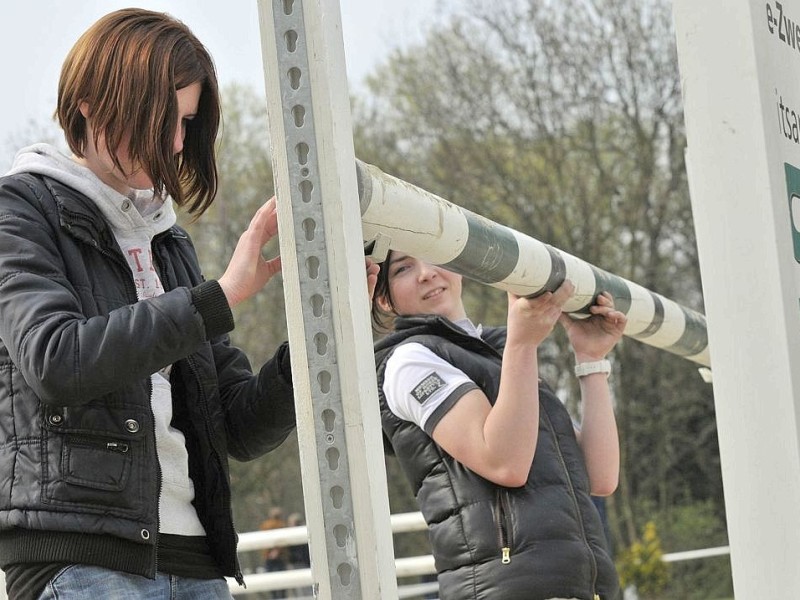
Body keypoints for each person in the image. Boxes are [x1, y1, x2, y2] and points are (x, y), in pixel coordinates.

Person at [0, 9, 382, 600]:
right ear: (93, 103)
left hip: (198, 561)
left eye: (185, 123)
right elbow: (55, 359)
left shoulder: (169, 243)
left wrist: (321, 329)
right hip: (81, 561)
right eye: (163, 120)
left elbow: (238, 426)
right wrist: (221, 295)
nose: (177, 143)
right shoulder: (22, 211)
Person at [371, 250, 625, 600]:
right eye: (403, 268)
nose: (427, 273)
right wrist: (523, 343)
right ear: (384, 298)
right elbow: (504, 462)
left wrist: (591, 359)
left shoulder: (499, 350)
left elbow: (598, 476)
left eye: (433, 255)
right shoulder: (409, 360)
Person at [259, 507, 289, 598]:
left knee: (272, 579)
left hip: (270, 556)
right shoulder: (281, 524)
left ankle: (275, 597)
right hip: (278, 556)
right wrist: (276, 551)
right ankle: (280, 597)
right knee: (282, 579)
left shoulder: (265, 525)